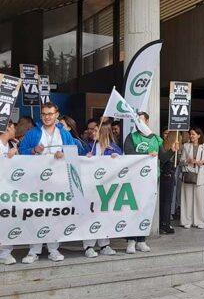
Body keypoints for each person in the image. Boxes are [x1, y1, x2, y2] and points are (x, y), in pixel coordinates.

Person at [19, 102, 76, 264]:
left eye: (50, 114)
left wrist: (63, 153)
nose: (47, 117)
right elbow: (21, 152)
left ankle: (53, 249)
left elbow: (73, 151)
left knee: (55, 215)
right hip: (36, 182)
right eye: (44, 114)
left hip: (57, 183)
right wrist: (33, 150)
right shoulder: (32, 133)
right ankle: (33, 250)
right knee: (35, 215)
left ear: (57, 115)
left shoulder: (64, 134)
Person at [124, 112, 162, 252]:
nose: (138, 123)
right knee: (133, 208)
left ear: (147, 121)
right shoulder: (131, 137)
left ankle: (141, 240)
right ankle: (131, 240)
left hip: (151, 178)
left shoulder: (155, 138)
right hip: (135, 178)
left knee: (146, 209)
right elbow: (128, 152)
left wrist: (172, 150)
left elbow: (162, 157)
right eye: (136, 120)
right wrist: (146, 155)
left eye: (141, 120)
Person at [83, 122, 120, 258]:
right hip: (91, 188)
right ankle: (88, 246)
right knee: (90, 215)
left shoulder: (114, 149)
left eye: (96, 131)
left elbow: (123, 166)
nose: (93, 133)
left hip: (107, 189)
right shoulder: (89, 147)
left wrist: (118, 159)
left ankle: (104, 244)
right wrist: (85, 158)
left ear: (103, 133)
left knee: (105, 215)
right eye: (92, 131)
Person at [180, 127, 204, 229]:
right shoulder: (186, 146)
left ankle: (200, 221)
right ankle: (187, 221)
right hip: (189, 173)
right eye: (190, 134)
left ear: (199, 135)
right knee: (187, 199)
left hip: (201, 175)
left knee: (200, 199)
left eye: (193, 134)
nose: (191, 136)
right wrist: (187, 161)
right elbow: (181, 161)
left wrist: (203, 162)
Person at [0, 122, 19, 265]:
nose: (15, 130)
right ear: (6, 128)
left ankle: (5, 253)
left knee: (7, 221)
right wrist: (7, 158)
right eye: (13, 128)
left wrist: (15, 151)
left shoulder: (12, 146)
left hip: (8, 193)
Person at [159, 131, 181, 234]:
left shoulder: (164, 147)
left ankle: (164, 223)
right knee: (167, 202)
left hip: (166, 176)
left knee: (165, 201)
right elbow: (164, 159)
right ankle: (165, 224)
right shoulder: (166, 149)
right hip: (167, 176)